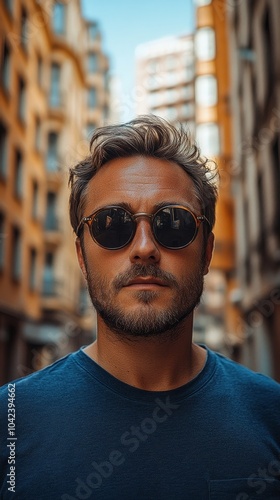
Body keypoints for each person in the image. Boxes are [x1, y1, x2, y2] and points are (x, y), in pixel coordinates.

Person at [0, 116, 280, 500]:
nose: (144, 247)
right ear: (82, 255)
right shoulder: (10, 421)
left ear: (207, 253)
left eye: (173, 223)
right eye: (112, 224)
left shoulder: (271, 414)